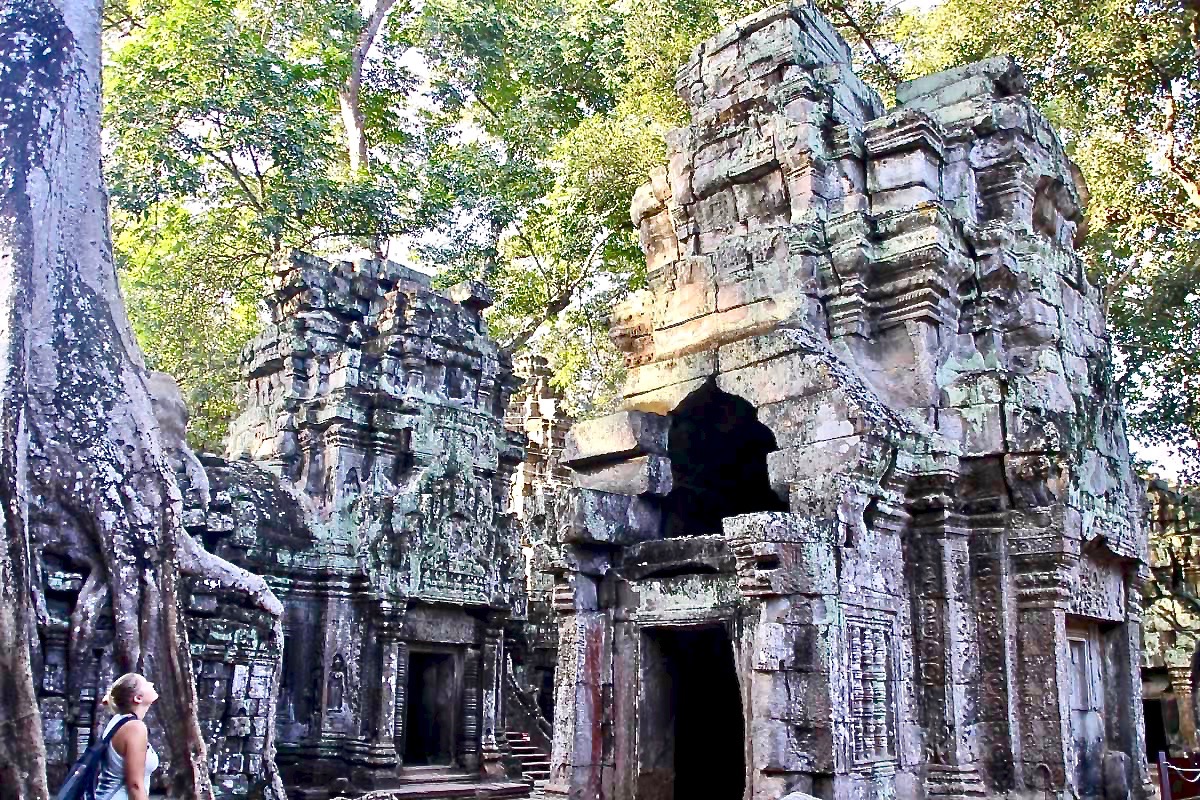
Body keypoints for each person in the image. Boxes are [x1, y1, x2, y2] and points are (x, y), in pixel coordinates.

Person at [93, 673, 160, 800]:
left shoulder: (119, 720)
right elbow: (135, 786)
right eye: (145, 683)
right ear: (138, 698)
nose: (151, 684)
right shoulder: (135, 728)